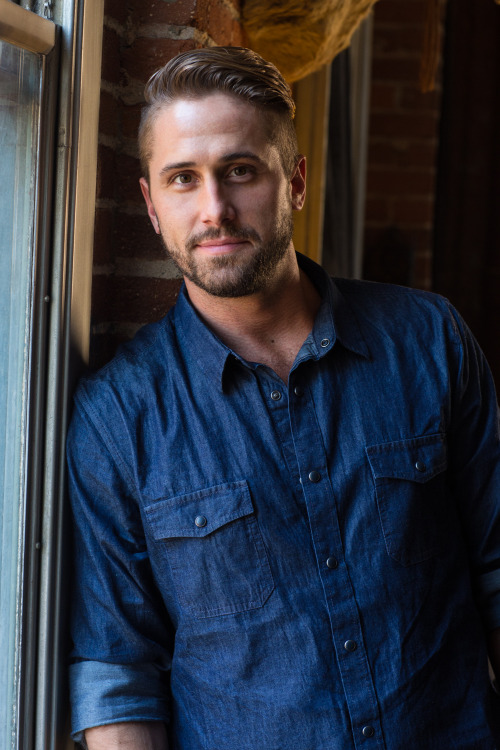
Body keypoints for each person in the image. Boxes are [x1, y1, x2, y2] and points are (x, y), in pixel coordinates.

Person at [67, 46, 500, 749]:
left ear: (294, 181)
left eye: (241, 171)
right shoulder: (119, 417)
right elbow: (119, 671)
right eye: (184, 179)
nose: (215, 209)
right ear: (150, 204)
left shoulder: (428, 341)